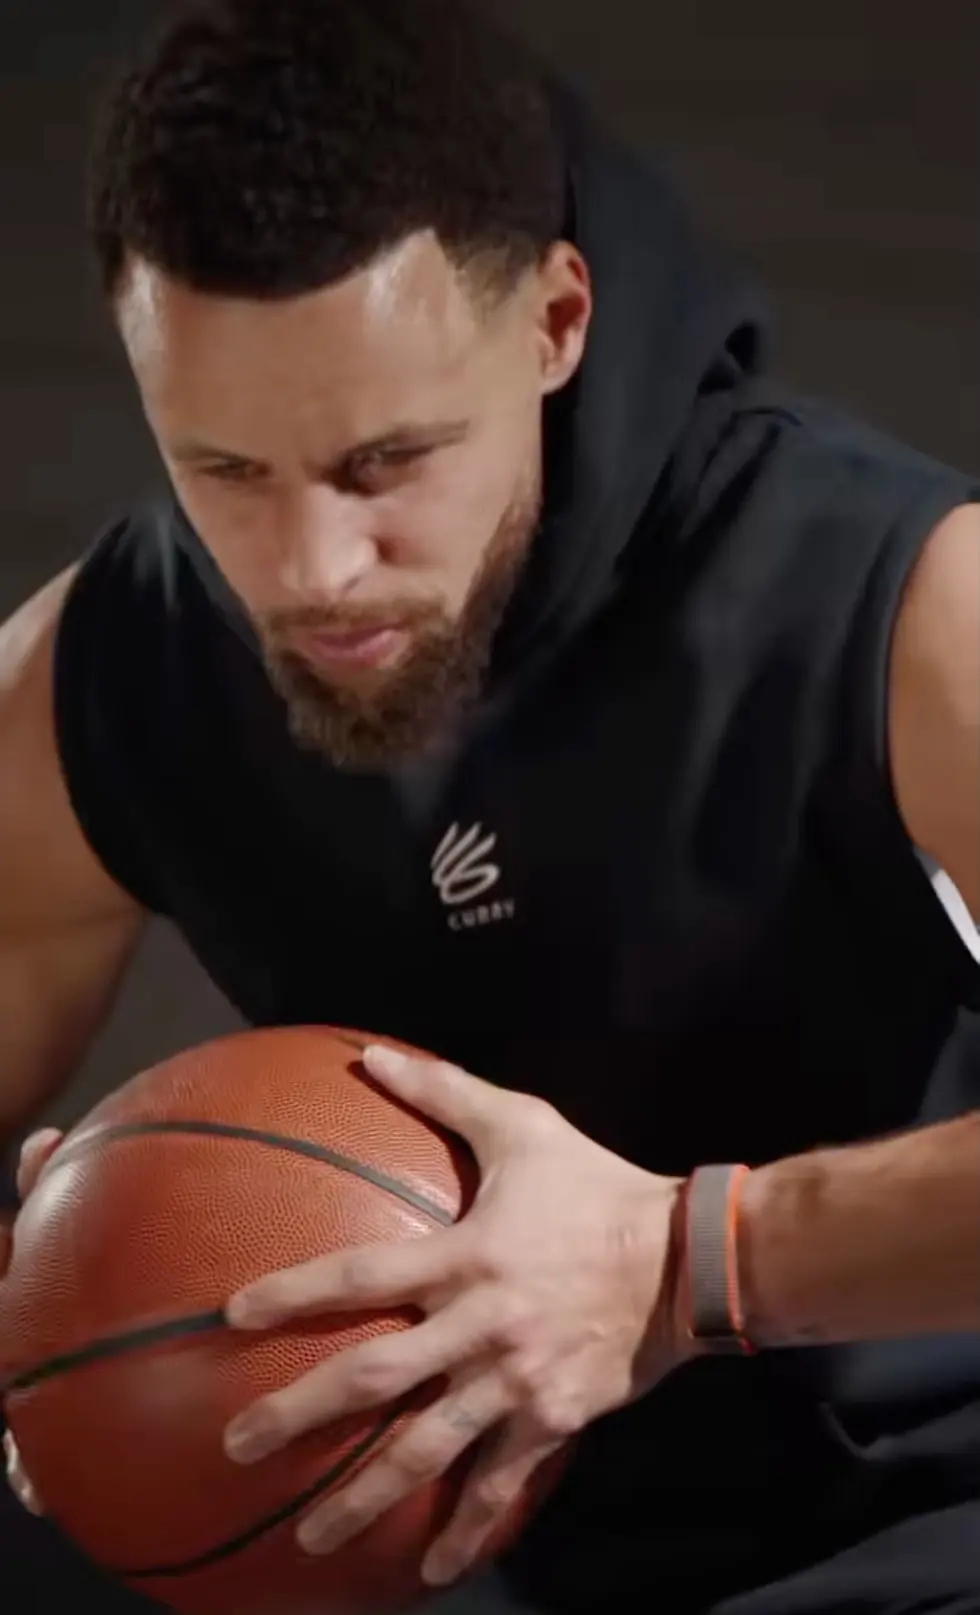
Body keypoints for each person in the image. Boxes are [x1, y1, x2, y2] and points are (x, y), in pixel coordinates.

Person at [1, 0, 978, 1611]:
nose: (313, 569)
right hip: (457, 1570)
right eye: (225, 470)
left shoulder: (901, 599)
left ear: (555, 322)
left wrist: (686, 1259)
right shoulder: (106, 666)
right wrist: (71, 1308)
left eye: (385, 461)